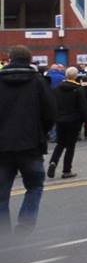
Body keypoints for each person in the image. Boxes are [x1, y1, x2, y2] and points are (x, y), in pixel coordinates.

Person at [0, 45, 56, 236]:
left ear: (10, 59)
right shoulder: (38, 82)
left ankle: (4, 234)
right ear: (29, 60)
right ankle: (25, 226)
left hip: (2, 147)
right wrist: (41, 132)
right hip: (31, 145)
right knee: (34, 186)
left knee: (1, 195)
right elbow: (50, 113)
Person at [47, 67, 87, 180]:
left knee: (60, 143)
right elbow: (83, 107)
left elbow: (53, 105)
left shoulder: (57, 89)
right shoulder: (78, 89)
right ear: (75, 76)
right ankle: (66, 170)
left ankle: (53, 162)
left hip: (60, 119)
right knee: (70, 146)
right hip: (73, 120)